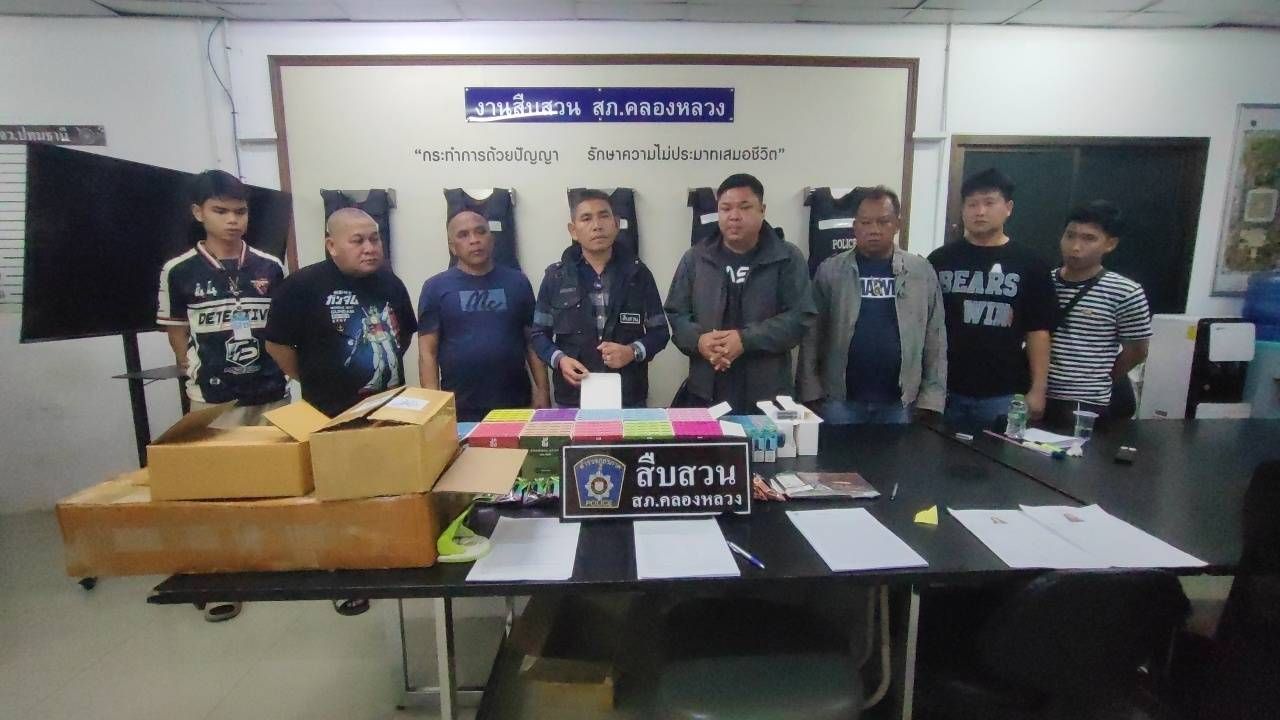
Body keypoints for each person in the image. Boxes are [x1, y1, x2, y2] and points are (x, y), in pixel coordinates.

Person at [157, 169, 289, 622]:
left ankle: (278, 566)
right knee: (218, 493)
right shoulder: (179, 271)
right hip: (215, 399)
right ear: (199, 213)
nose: (233, 220)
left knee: (275, 486)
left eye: (240, 211)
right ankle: (222, 580)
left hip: (270, 393)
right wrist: (190, 368)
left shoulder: (270, 266)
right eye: (221, 211)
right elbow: (177, 332)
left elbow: (282, 330)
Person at [665, 173, 816, 413]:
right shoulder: (696, 258)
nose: (734, 216)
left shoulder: (787, 257)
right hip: (706, 391)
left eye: (744, 207)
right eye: (725, 208)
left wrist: (745, 340)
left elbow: (800, 318)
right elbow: (676, 314)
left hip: (767, 396)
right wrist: (699, 341)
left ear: (762, 210)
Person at [797, 186, 946, 424]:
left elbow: (935, 338)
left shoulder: (920, 272)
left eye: (883, 222)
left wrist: (931, 399)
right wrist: (810, 391)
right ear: (855, 226)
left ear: (897, 224)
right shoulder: (831, 271)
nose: (874, 230)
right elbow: (811, 334)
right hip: (840, 401)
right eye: (865, 223)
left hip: (901, 404)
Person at [927, 168, 1056, 431]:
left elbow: (1038, 331)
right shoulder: (939, 260)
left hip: (1003, 392)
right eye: (972, 204)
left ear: (1008, 208)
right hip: (946, 389)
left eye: (989, 203)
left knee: (1000, 454)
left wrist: (1038, 389)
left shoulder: (1030, 263)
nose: (980, 211)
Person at [264, 208, 416, 418]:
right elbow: (277, 345)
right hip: (328, 413)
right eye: (358, 241)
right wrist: (313, 377)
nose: (369, 248)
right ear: (332, 246)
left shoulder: (392, 283)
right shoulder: (301, 286)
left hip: (389, 410)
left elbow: (404, 336)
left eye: (374, 239)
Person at [530, 189, 668, 408]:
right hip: (573, 397)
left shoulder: (639, 274)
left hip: (628, 397)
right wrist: (560, 360)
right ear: (573, 230)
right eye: (586, 218)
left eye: (604, 216)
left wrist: (631, 351)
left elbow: (660, 332)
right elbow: (538, 335)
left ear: (616, 223)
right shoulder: (556, 277)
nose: (596, 225)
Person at [418, 209, 550, 421]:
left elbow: (532, 343)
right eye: (463, 235)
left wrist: (543, 391)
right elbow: (427, 352)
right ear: (452, 246)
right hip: (460, 407)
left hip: (516, 403)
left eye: (480, 232)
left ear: (491, 239)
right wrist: (433, 407)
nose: (474, 240)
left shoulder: (518, 282)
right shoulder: (435, 288)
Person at [1045, 200, 1151, 426]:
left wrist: (1100, 378)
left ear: (1110, 244)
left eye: (1089, 238)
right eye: (1070, 236)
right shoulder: (1043, 281)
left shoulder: (1126, 291)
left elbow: (1138, 350)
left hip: (1087, 402)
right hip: (1037, 393)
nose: (1075, 246)